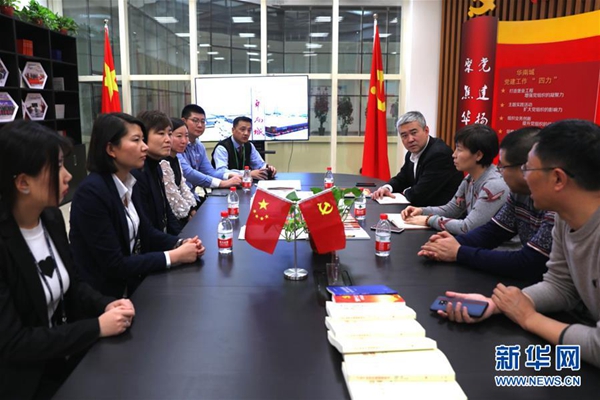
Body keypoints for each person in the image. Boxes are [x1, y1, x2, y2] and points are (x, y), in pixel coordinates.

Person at [437, 119, 600, 368]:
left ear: (558, 179)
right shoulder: (564, 218)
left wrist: (529, 318)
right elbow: (560, 286)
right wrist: (497, 304)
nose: (523, 177)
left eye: (528, 169)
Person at [0, 120, 135, 399]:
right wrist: (96, 327)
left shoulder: (50, 218)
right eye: (58, 167)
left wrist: (105, 304)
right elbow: (13, 342)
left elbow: (73, 284)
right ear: (23, 182)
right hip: (24, 383)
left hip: (65, 361)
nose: (68, 176)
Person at [70, 113, 205, 298]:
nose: (144, 146)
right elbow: (114, 264)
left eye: (143, 139)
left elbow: (146, 231)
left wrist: (180, 243)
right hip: (106, 299)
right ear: (111, 149)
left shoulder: (128, 182)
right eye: (136, 140)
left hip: (132, 285)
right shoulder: (92, 192)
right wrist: (174, 256)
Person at [418, 127, 555, 284]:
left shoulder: (555, 207)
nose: (500, 172)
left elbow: (530, 262)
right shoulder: (518, 194)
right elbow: (493, 231)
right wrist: (452, 244)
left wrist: (458, 252)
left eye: (503, 167)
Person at [401, 124, 509, 234]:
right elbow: (452, 209)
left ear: (478, 155)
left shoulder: (494, 185)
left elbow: (468, 227)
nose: (454, 154)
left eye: (459, 150)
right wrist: (421, 211)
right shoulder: (470, 178)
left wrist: (429, 220)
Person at [371, 111, 463, 206]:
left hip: (441, 212)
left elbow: (420, 195)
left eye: (414, 133)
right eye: (404, 135)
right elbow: (403, 178)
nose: (410, 139)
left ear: (426, 131)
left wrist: (404, 192)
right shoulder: (412, 152)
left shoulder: (439, 154)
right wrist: (387, 188)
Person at [132, 110, 181, 235]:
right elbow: (145, 228)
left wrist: (182, 239)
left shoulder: (157, 166)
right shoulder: (137, 172)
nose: (168, 140)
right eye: (161, 133)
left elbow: (167, 211)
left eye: (170, 134)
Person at [178, 104, 241, 191]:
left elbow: (209, 172)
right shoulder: (177, 145)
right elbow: (188, 173)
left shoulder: (199, 146)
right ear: (184, 121)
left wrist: (229, 176)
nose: (200, 125)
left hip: (192, 196)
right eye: (195, 120)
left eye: (203, 121)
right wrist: (222, 183)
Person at [211, 116, 277, 180]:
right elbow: (221, 172)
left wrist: (268, 168)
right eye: (242, 129)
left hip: (245, 184)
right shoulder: (222, 147)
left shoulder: (249, 146)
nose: (246, 133)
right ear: (233, 130)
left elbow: (260, 165)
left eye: (249, 130)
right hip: (224, 185)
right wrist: (247, 173)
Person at [160, 118, 198, 226]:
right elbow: (172, 197)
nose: (184, 141)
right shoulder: (163, 162)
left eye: (186, 136)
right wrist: (188, 213)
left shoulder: (176, 158)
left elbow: (183, 186)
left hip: (183, 213)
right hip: (171, 219)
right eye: (179, 136)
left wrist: (192, 208)